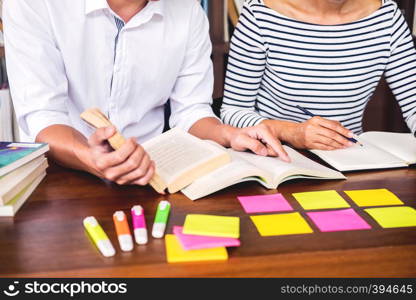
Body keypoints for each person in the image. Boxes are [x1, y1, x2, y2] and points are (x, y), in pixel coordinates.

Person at [3, 0, 290, 188]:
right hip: (59, 174)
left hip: (152, 175)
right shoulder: (33, 4)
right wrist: (89, 155)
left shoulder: (188, 11)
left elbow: (191, 112)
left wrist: (229, 135)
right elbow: (44, 115)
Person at [221, 0, 416, 150]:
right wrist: (292, 132)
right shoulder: (259, 14)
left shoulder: (387, 16)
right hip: (277, 158)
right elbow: (233, 110)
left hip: (350, 158)